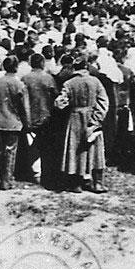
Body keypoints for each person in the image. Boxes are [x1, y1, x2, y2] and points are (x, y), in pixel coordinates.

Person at [56, 55, 110, 194]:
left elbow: (60, 103)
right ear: (86, 67)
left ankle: (75, 184)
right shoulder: (95, 81)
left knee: (74, 149)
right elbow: (104, 102)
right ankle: (97, 183)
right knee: (96, 150)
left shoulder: (69, 83)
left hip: (75, 117)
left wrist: (68, 103)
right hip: (92, 116)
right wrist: (96, 120)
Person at [0, 56, 30, 191]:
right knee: (10, 152)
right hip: (13, 123)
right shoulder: (19, 84)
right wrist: (26, 123)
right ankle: (7, 181)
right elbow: (24, 107)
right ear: (16, 67)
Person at [21, 53, 58, 186]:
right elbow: (55, 95)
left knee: (32, 146)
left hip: (30, 116)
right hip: (46, 115)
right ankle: (47, 171)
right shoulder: (48, 78)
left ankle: (36, 173)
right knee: (46, 145)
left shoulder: (25, 78)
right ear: (42, 63)